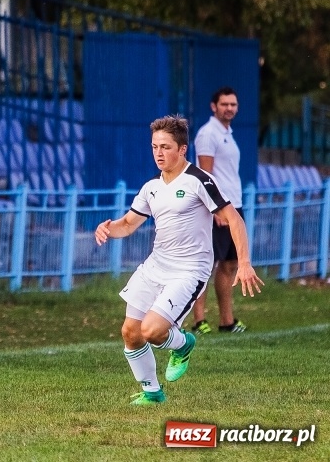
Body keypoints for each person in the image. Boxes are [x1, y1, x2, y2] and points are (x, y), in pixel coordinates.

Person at [94, 115, 263, 405]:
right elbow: (128, 224)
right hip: (156, 266)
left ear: (182, 149)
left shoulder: (199, 180)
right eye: (154, 147)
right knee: (131, 332)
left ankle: (183, 343)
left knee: (151, 331)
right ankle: (152, 393)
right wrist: (108, 229)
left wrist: (244, 262)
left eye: (166, 147)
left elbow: (233, 218)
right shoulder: (151, 187)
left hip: (189, 271)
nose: (159, 153)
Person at [190, 87, 247, 334]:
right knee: (206, 263)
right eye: (224, 104)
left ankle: (227, 321)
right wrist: (214, 209)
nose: (229, 108)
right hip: (218, 208)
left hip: (234, 205)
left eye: (233, 104)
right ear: (214, 106)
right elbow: (205, 174)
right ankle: (199, 321)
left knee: (230, 263)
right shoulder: (208, 134)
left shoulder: (228, 134)